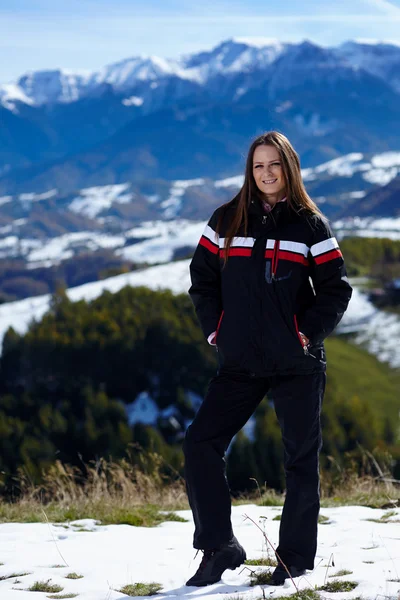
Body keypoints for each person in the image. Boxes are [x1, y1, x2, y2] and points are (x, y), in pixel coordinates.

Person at [183, 131, 353, 587]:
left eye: (274, 164)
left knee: (300, 460)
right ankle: (219, 547)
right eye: (258, 166)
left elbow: (336, 290)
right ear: (249, 170)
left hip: (296, 360)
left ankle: (293, 559)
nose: (266, 173)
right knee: (200, 442)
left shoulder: (311, 225)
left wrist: (304, 333)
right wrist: (216, 329)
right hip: (240, 361)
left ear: (289, 168)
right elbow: (201, 279)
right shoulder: (226, 219)